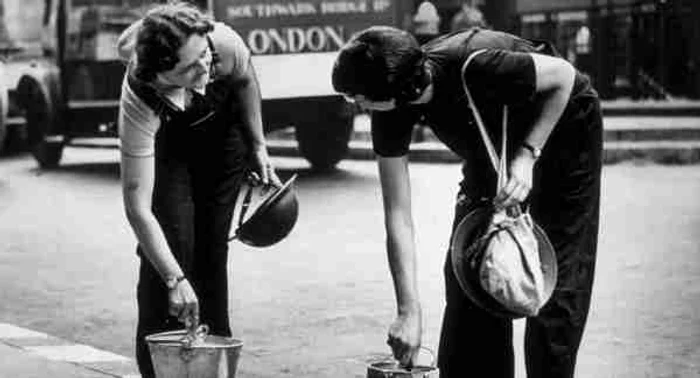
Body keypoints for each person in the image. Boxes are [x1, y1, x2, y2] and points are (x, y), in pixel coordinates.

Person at [332, 26, 602, 378]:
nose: (356, 106)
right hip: (490, 143)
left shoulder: (476, 64)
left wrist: (527, 155)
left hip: (562, 125)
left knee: (556, 282)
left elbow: (565, 77)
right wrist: (408, 310)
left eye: (358, 98)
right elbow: (398, 213)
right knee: (469, 272)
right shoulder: (389, 107)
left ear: (400, 90)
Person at [116, 2, 280, 377]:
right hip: (169, 146)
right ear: (161, 71)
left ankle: (215, 363)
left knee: (211, 250)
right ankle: (162, 365)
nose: (204, 66)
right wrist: (174, 279)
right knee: (172, 245)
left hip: (223, 138)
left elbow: (244, 78)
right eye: (190, 66)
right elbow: (137, 207)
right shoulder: (140, 94)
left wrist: (258, 145)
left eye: (205, 56)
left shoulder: (220, 41)